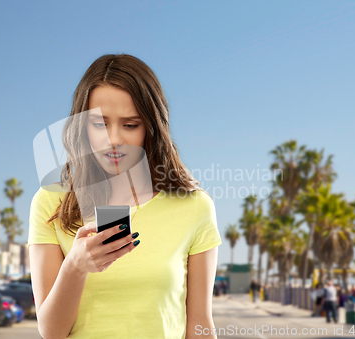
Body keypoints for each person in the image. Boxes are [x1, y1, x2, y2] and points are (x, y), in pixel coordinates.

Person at [28, 54, 223, 339]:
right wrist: (75, 267)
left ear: (151, 128)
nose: (114, 139)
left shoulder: (194, 207)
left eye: (130, 125)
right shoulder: (50, 202)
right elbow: (51, 332)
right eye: (100, 124)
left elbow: (199, 325)